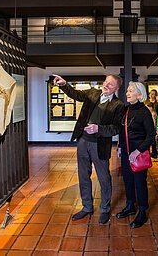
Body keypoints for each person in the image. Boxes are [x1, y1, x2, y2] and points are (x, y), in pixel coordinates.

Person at [53, 74, 124, 224]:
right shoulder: (93, 92)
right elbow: (76, 94)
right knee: (83, 175)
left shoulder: (119, 105)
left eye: (110, 84)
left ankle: (104, 209)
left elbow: (116, 128)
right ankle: (87, 207)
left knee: (104, 178)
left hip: (100, 146)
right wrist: (64, 84)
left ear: (116, 88)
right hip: (83, 141)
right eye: (106, 81)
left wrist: (99, 128)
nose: (106, 85)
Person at [116, 82, 155, 228]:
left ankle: (143, 211)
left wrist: (138, 151)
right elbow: (122, 130)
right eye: (127, 90)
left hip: (138, 153)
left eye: (130, 91)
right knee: (128, 180)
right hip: (126, 152)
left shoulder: (144, 112)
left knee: (140, 183)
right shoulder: (126, 110)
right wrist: (120, 146)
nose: (127, 93)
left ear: (139, 95)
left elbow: (151, 135)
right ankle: (130, 205)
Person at [144, 89, 158, 157]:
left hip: (154, 121)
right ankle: (147, 152)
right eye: (151, 93)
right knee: (146, 137)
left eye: (153, 94)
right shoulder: (146, 101)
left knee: (154, 138)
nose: (152, 95)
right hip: (147, 120)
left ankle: (154, 152)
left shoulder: (157, 103)